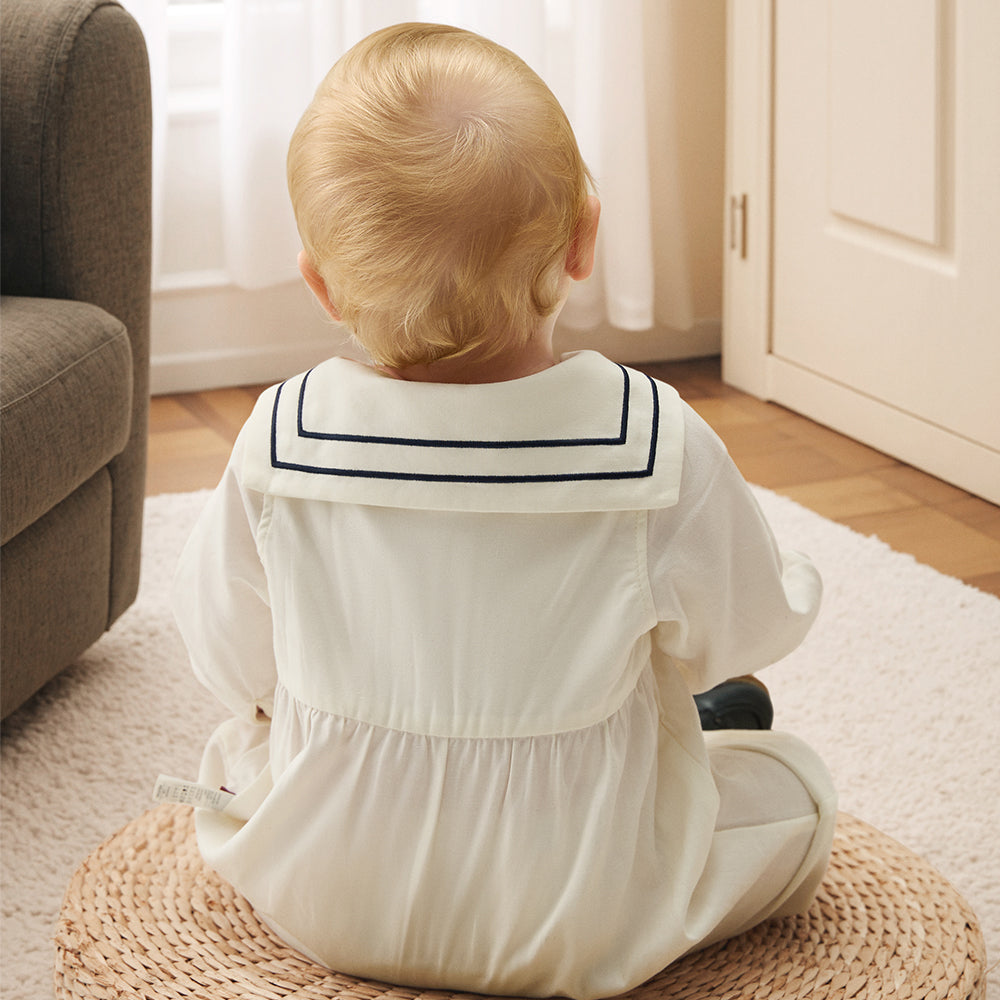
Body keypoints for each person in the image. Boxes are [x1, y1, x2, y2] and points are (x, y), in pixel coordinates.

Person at [171, 22, 836, 1000]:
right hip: (581, 913)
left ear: (319, 283)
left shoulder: (281, 436)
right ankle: (702, 738)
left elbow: (229, 657)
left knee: (241, 750)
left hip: (328, 898)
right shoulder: (648, 438)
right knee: (795, 792)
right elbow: (741, 628)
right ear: (584, 240)